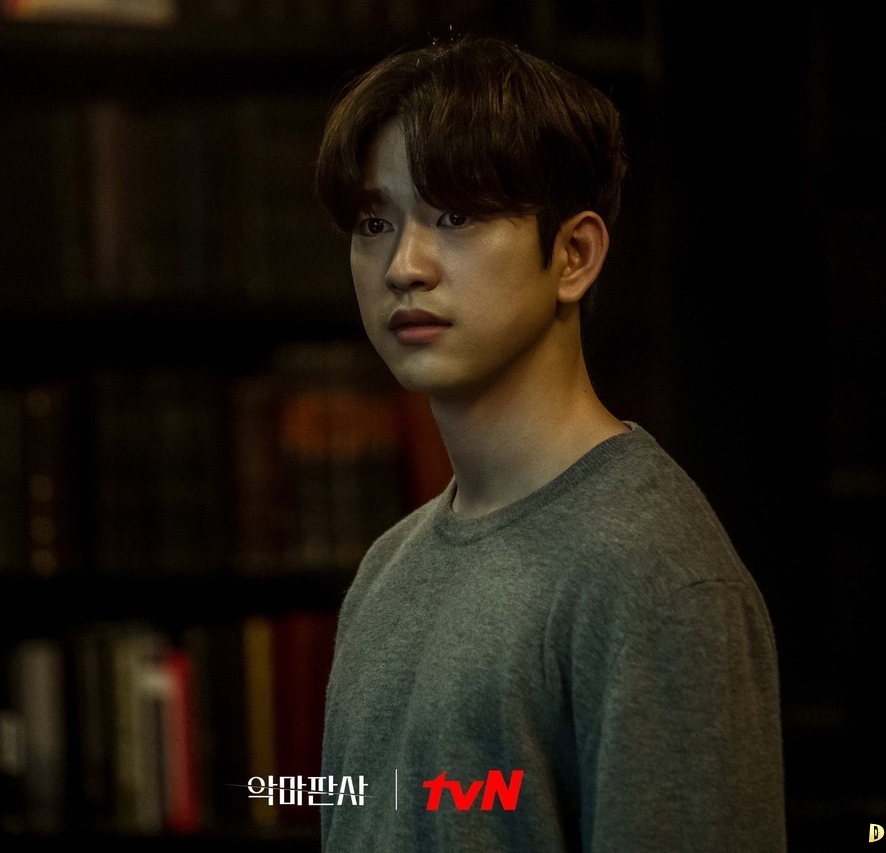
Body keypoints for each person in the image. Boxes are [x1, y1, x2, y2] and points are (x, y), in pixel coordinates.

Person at [312, 34, 786, 853]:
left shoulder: (653, 576)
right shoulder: (385, 570)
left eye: (455, 216)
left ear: (574, 255)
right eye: (374, 222)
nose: (403, 266)